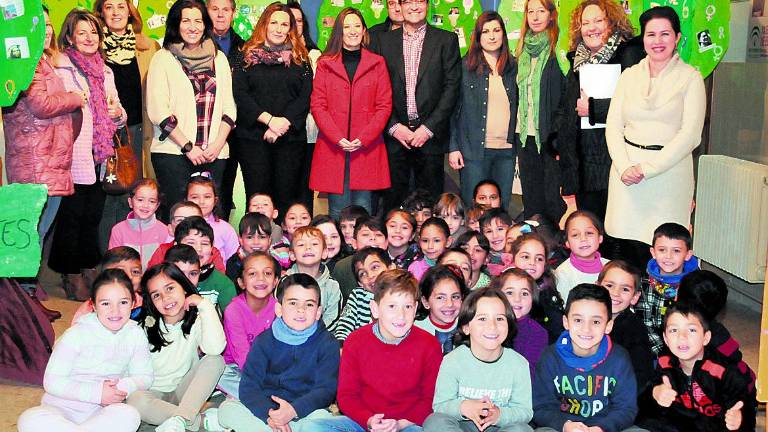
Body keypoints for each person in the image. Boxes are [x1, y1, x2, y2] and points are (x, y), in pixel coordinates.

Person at [604, 6, 706, 267]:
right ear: (643, 39)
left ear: (677, 38)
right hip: (625, 174)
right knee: (625, 250)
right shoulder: (628, 76)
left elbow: (690, 135)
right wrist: (625, 166)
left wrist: (646, 169)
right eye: (651, 34)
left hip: (668, 176)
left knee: (666, 250)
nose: (657, 41)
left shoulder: (690, 78)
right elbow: (613, 125)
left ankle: (662, 304)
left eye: (665, 34)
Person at [2, 6, 84, 320]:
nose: (47, 31)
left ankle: (27, 300)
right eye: (40, 26)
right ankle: (23, 306)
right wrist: (77, 98)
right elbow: (40, 104)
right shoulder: (26, 64)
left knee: (37, 234)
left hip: (48, 160)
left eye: (49, 26)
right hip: (37, 163)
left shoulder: (42, 60)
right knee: (31, 235)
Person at [50, 9, 127, 301]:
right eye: (81, 32)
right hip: (73, 154)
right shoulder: (61, 68)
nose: (89, 38)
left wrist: (117, 113)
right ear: (69, 36)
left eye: (93, 32)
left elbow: (119, 112)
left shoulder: (105, 70)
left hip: (102, 155)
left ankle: (87, 266)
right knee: (72, 216)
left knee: (93, 215)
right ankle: (69, 273)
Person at [17, 270, 152, 432]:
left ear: (133, 302)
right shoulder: (76, 334)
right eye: (105, 303)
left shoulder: (135, 333)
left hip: (101, 413)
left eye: (123, 302)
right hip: (62, 408)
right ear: (93, 305)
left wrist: (119, 388)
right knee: (30, 419)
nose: (115, 311)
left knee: (130, 415)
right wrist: (96, 393)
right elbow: (52, 381)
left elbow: (145, 376)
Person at [311, 269, 443, 431]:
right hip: (363, 423)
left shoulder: (429, 345)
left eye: (407, 306)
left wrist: (400, 424)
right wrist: (369, 420)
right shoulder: (355, 341)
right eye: (392, 306)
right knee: (311, 426)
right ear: (375, 309)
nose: (401, 315)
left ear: (415, 309)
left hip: (407, 424)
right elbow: (347, 396)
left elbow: (430, 399)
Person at [146, 0, 236, 219]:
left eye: (198, 21)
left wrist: (216, 145)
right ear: (176, 24)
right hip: (173, 153)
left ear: (206, 24)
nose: (193, 27)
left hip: (215, 153)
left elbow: (229, 109)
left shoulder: (219, 58)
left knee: (212, 217)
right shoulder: (162, 58)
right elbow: (158, 111)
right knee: (179, 215)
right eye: (186, 20)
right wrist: (188, 146)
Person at [218, 273, 341, 431]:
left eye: (309, 305)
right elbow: (249, 387)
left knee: (323, 421)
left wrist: (293, 411)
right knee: (227, 410)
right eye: (293, 303)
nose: (301, 310)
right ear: (279, 308)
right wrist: (269, 414)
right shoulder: (264, 341)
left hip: (305, 412)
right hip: (268, 412)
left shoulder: (327, 343)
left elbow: (326, 390)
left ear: (318, 312)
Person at [370, 0, 461, 212]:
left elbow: (451, 89)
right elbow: (374, 89)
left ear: (428, 5)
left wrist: (428, 129)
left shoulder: (446, 40)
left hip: (430, 138)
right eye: (408, 2)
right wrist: (393, 127)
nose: (414, 7)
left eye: (419, 1)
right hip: (394, 138)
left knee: (430, 207)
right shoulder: (382, 41)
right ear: (399, 6)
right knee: (392, 206)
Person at [557, 0, 642, 224]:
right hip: (583, 169)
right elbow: (566, 109)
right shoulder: (577, 61)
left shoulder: (629, 56)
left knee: (616, 233)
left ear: (612, 23)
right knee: (593, 231)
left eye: (598, 21)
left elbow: (638, 104)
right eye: (585, 23)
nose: (591, 28)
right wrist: (557, 142)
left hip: (615, 165)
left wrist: (595, 108)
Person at [310, 7, 393, 218]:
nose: (353, 31)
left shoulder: (377, 63)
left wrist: (363, 138)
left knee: (363, 209)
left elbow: (384, 105)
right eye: (347, 26)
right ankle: (339, 251)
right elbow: (318, 105)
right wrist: (337, 138)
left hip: (365, 147)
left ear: (364, 31)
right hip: (334, 147)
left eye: (357, 26)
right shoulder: (325, 64)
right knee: (337, 210)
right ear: (339, 31)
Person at [232, 1, 313, 217]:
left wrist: (281, 123)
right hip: (253, 140)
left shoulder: (301, 58)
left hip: (290, 140)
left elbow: (305, 97)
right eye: (274, 22)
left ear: (291, 28)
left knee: (286, 198)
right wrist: (269, 120)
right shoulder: (245, 55)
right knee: (257, 199)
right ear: (264, 24)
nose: (279, 28)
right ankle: (256, 246)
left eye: (284, 24)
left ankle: (282, 248)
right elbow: (241, 94)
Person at [127, 263, 226, 432]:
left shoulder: (198, 320)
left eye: (170, 288)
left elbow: (215, 348)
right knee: (135, 400)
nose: (165, 298)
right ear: (151, 301)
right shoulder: (142, 327)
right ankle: (199, 422)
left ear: (184, 287)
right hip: (152, 395)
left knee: (215, 360)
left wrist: (204, 305)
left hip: (185, 393)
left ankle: (180, 419)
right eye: (156, 295)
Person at [94, 0, 160, 249]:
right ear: (101, 12)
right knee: (113, 197)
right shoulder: (94, 47)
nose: (115, 12)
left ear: (130, 11)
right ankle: (112, 257)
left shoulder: (148, 47)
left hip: (143, 132)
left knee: (143, 195)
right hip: (109, 135)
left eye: (120, 6)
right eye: (109, 7)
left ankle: (142, 255)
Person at [532, 284, 641, 432]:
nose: (586, 329)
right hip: (564, 427)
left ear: (608, 326)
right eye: (578, 320)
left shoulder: (619, 358)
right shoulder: (550, 357)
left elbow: (626, 409)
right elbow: (541, 407)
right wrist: (565, 425)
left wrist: (602, 428)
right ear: (566, 322)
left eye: (596, 322)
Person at [424, 287, 533, 432]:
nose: (492, 326)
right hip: (463, 426)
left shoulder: (518, 364)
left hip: (499, 427)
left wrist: (499, 415)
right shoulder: (453, 361)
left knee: (522, 429)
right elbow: (440, 405)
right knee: (435, 421)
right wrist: (464, 407)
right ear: (466, 327)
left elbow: (525, 412)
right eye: (482, 319)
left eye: (500, 318)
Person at [640, 303, 756, 432]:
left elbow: (746, 409)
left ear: (706, 338)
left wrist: (739, 419)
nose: (682, 336)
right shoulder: (664, 362)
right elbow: (644, 397)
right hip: (683, 423)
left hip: (717, 426)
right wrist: (655, 392)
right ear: (666, 339)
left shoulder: (725, 372)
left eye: (692, 330)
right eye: (674, 330)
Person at [448, 12, 518, 210]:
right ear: (478, 36)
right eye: (486, 31)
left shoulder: (514, 67)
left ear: (503, 34)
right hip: (473, 152)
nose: (492, 36)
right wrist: (453, 147)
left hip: (506, 150)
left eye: (497, 30)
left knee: (501, 208)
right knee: (474, 210)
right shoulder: (464, 66)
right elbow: (452, 110)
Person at [514, 0, 566, 226]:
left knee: (553, 200)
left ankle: (554, 250)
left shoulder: (558, 51)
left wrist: (558, 138)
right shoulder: (521, 51)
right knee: (531, 199)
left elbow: (564, 99)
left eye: (541, 11)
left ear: (551, 15)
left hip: (549, 138)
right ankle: (531, 247)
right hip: (524, 136)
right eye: (530, 11)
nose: (535, 17)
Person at [219, 252, 279, 398]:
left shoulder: (279, 308)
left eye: (268, 273)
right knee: (219, 373)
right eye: (252, 273)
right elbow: (242, 355)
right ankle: (261, 397)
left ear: (276, 280)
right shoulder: (234, 310)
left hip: (270, 368)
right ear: (241, 282)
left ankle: (256, 397)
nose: (261, 278)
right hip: (238, 367)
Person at [635, 222, 699, 355]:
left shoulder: (695, 284)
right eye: (662, 250)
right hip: (656, 348)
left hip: (689, 346)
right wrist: (663, 355)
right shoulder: (645, 283)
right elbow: (646, 325)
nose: (668, 256)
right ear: (653, 252)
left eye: (676, 251)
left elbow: (701, 323)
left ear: (688, 255)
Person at [207, 0, 245, 220]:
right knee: (209, 187)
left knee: (227, 188)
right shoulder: (197, 44)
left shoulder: (245, 46)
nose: (220, 15)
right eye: (214, 9)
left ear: (233, 13)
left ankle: (223, 234)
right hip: (208, 128)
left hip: (239, 129)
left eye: (225, 10)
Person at [597, 260, 654, 394]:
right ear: (597, 287)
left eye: (625, 289)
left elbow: (642, 375)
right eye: (610, 285)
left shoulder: (635, 329)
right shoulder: (584, 318)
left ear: (635, 297)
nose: (615, 293)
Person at [288, 0, 323, 214]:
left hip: (307, 134)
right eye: (289, 21)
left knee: (303, 190)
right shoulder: (266, 54)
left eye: (299, 21)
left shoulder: (314, 56)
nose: (294, 25)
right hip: (278, 133)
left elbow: (315, 97)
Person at [332, 247, 396, 342]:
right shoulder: (358, 296)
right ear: (360, 283)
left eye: (375, 267)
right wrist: (342, 345)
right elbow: (344, 325)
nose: (370, 276)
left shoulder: (401, 294)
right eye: (363, 274)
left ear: (391, 268)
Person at [510, 233, 564, 343]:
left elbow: (557, 330)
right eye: (525, 257)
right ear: (513, 258)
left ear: (545, 264)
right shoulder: (502, 289)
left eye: (539, 259)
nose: (532, 263)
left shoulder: (548, 292)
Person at [286, 226, 343, 327]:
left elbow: (333, 318)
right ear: (292, 255)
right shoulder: (284, 282)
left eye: (314, 244)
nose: (308, 247)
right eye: (301, 244)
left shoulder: (332, 286)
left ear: (325, 253)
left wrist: (315, 334)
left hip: (320, 337)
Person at [496, 268, 547, 378]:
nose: (517, 299)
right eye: (510, 292)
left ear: (533, 298)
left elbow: (528, 372)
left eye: (524, 293)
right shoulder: (489, 326)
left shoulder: (538, 333)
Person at [108, 179, 168, 269]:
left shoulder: (164, 230)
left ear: (157, 205)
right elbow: (112, 264)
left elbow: (167, 265)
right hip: (126, 281)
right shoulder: (118, 230)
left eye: (152, 201)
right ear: (130, 202)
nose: (145, 205)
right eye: (140, 200)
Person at [332, 216, 389, 303]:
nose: (372, 238)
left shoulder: (391, 266)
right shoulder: (342, 267)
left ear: (386, 243)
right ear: (354, 243)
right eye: (366, 234)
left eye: (378, 235)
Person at [554, 210, 609, 301]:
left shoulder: (611, 268)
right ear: (567, 242)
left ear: (600, 237)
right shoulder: (562, 274)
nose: (583, 239)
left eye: (589, 233)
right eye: (575, 235)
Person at [415, 265, 469, 354]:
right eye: (440, 297)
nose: (449, 304)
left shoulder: (469, 326)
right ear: (425, 302)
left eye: (455, 297)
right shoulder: (416, 330)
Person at [185, 173, 239, 261]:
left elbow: (233, 260)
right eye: (195, 197)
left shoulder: (226, 229)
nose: (201, 202)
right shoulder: (179, 226)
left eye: (207, 197)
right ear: (186, 200)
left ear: (215, 200)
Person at [225, 212, 273, 283]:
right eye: (250, 237)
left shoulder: (274, 263)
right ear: (240, 240)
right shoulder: (233, 264)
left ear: (269, 240)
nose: (256, 242)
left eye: (262, 237)